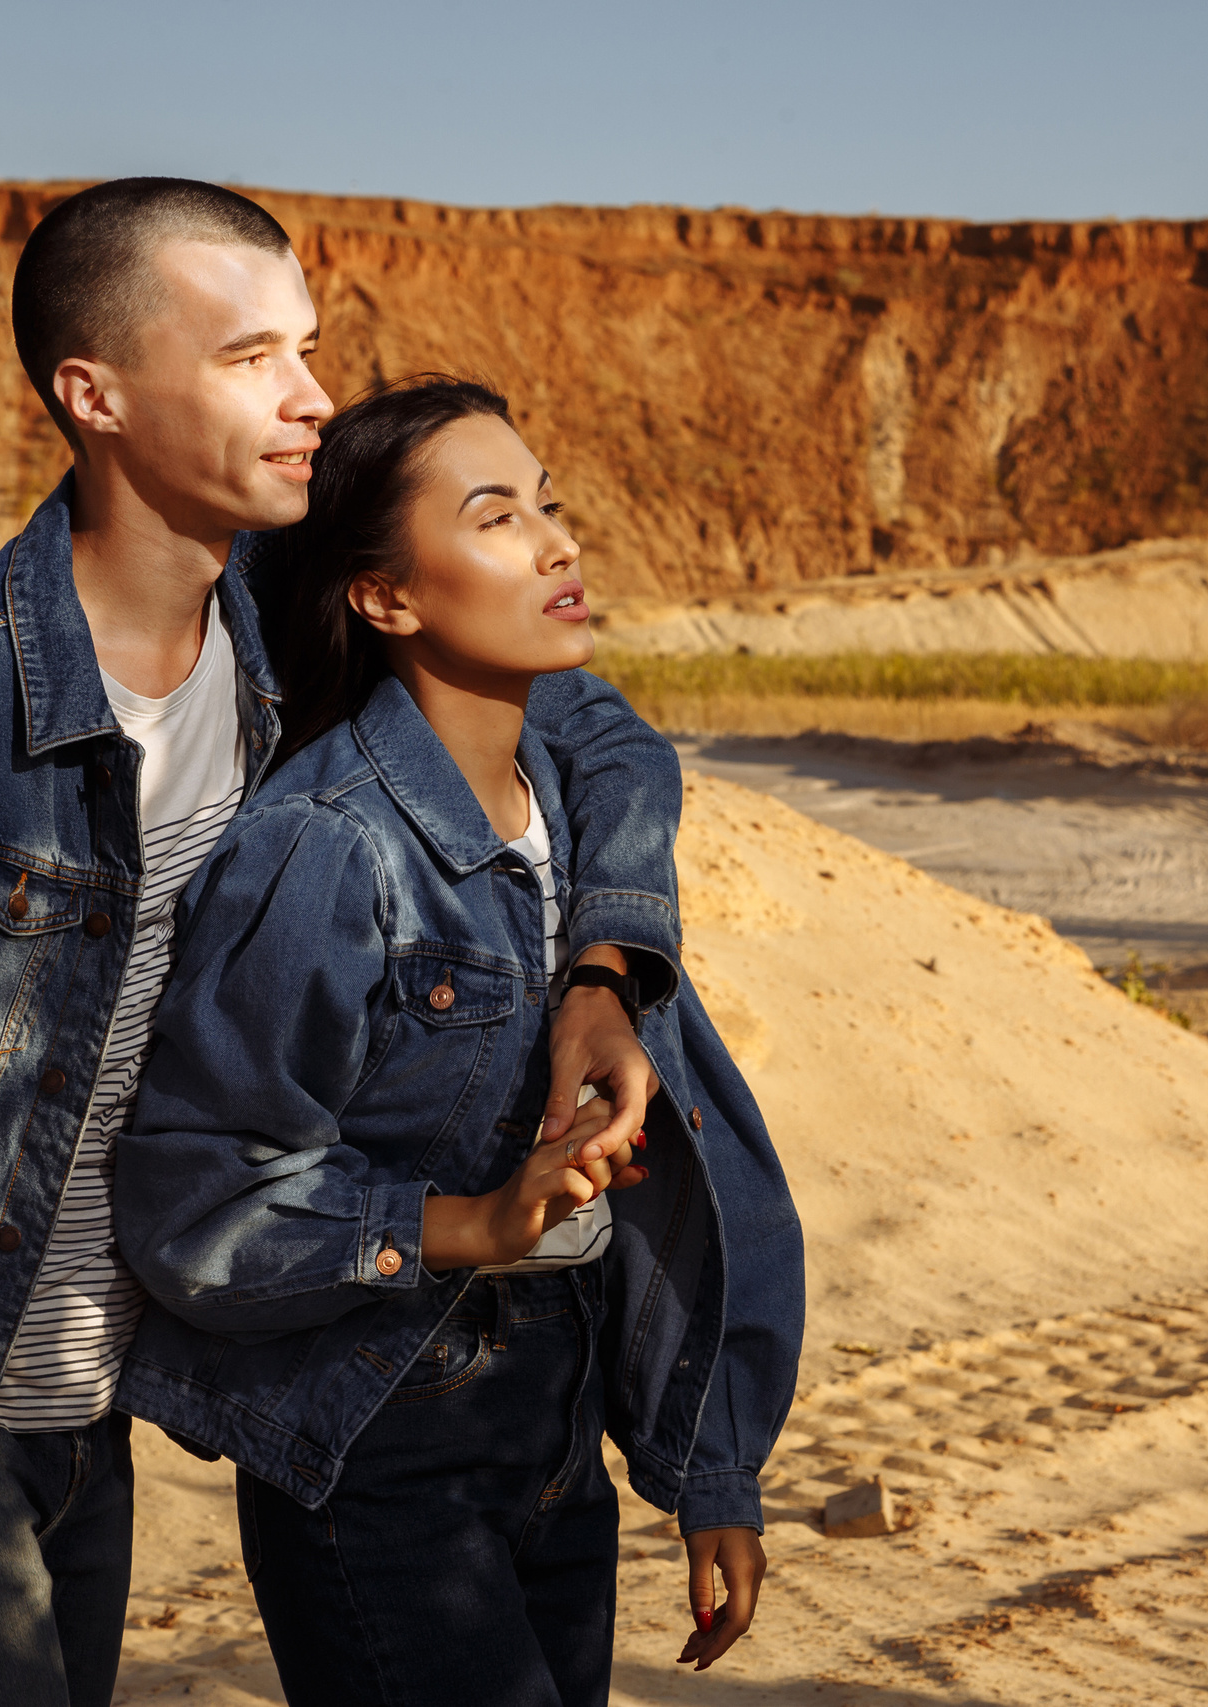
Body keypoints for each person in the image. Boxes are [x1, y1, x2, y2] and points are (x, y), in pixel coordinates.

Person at [0, 181, 688, 1707]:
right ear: (96, 394)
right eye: (253, 358)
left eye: (308, 350)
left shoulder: (288, 648)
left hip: (105, 1406)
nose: (313, 398)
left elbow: (600, 730)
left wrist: (604, 973)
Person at [112, 375, 803, 1707]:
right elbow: (195, 1203)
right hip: (379, 1440)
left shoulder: (572, 827)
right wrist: (475, 1223)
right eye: (495, 518)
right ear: (384, 596)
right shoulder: (325, 849)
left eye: (550, 505)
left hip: (556, 1423)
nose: (556, 544)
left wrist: (711, 1471)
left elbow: (705, 1165)